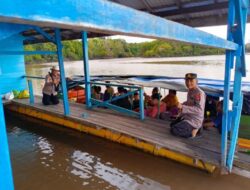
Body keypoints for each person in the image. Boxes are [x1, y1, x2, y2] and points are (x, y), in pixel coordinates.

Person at [170, 73, 206, 138]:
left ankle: (193, 132)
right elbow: (189, 103)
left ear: (196, 81)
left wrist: (183, 107)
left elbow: (199, 110)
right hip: (188, 117)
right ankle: (196, 129)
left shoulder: (199, 93)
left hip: (194, 120)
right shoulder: (190, 90)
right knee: (172, 125)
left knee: (174, 130)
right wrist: (182, 104)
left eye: (191, 81)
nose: (189, 83)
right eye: (187, 81)